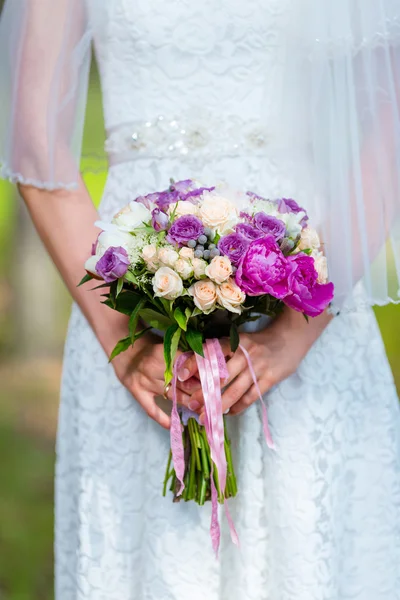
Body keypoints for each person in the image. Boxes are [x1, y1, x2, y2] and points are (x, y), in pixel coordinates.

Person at [1, 1, 400, 599]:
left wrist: (294, 334)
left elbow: (385, 123)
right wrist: (123, 342)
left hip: (313, 293)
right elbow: (35, 146)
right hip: (132, 301)